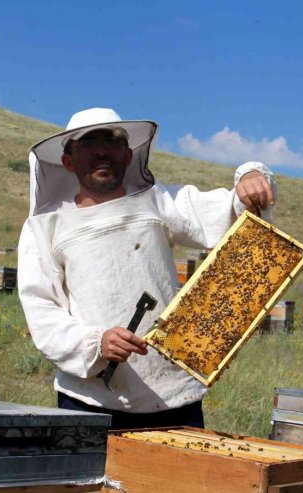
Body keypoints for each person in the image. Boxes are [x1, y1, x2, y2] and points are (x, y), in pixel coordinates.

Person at [17, 107, 277, 430]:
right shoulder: (45, 227)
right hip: (90, 400)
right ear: (68, 161)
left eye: (110, 141)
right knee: (94, 484)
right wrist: (96, 343)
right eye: (88, 143)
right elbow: (42, 310)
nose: (101, 151)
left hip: (174, 396)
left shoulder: (157, 201)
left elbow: (229, 213)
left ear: (127, 155)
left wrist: (251, 180)